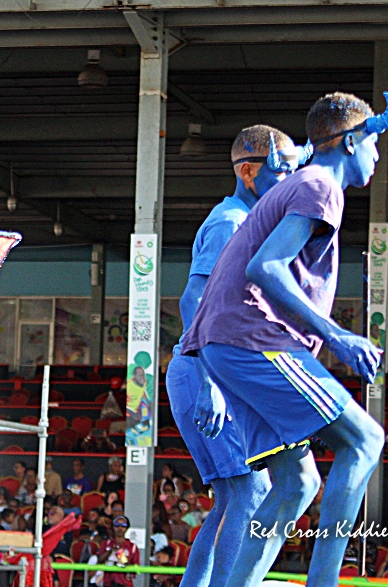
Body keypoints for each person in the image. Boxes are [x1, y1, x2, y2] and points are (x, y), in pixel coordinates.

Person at [182, 91, 388, 587]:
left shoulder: (303, 178)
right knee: (366, 442)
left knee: (296, 484)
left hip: (221, 348)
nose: (377, 155)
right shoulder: (321, 185)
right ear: (349, 143)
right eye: (374, 143)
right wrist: (338, 336)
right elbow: (266, 267)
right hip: (253, 340)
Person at [165, 123, 301, 587]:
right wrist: (211, 383)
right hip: (205, 371)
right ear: (248, 172)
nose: (290, 181)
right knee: (251, 491)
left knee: (232, 497)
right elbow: (193, 301)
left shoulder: (250, 223)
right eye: (282, 171)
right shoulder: (232, 223)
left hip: (208, 369)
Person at [97, 515, 140, 587]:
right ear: (113, 527)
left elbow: (135, 569)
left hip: (125, 584)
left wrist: (121, 556)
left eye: (123, 525)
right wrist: (110, 551)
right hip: (108, 583)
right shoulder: (106, 543)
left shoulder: (133, 547)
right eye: (117, 525)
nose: (120, 528)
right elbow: (99, 561)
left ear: (127, 528)